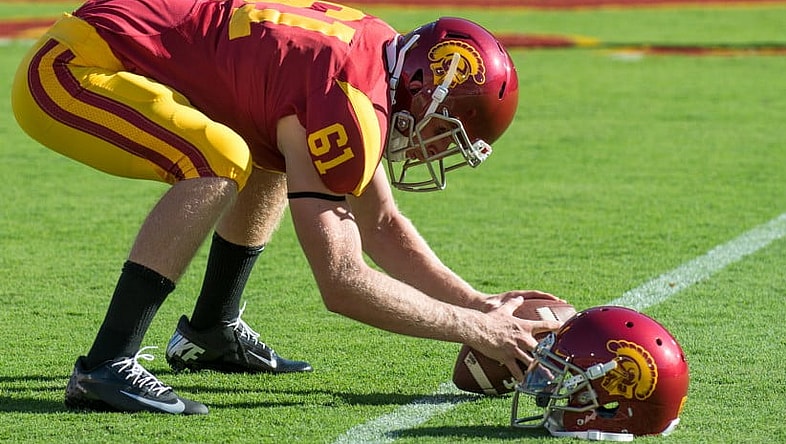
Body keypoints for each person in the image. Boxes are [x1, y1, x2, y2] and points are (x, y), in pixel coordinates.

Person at [11, 0, 562, 415]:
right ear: (425, 91)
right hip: (71, 71)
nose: (436, 148)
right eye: (444, 133)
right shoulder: (346, 96)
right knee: (221, 158)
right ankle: (106, 365)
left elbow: (383, 224)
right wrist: (470, 327)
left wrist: (479, 304)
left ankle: (211, 331)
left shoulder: (376, 53)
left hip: (108, 51)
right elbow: (342, 282)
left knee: (270, 146)